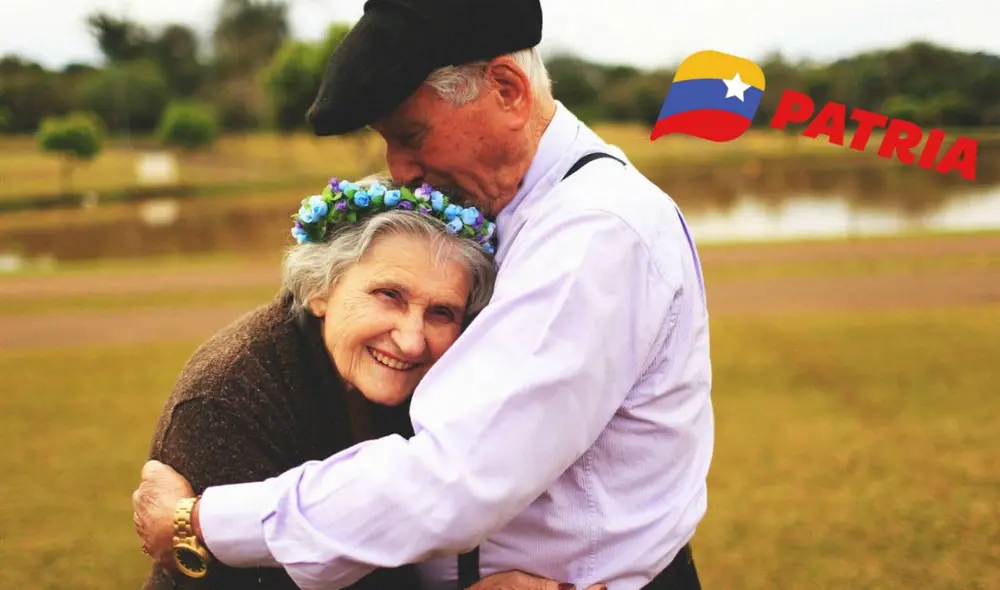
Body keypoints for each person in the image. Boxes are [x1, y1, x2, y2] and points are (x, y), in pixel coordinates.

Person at [132, 0, 714, 588]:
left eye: (412, 135)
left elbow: (456, 477)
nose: (401, 169)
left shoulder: (595, 232)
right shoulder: (519, 211)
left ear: (508, 91)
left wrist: (203, 520)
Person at [140, 178, 499, 589]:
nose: (412, 340)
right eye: (389, 295)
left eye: (441, 313)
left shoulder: (435, 387)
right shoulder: (226, 402)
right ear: (319, 289)